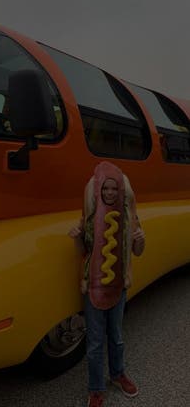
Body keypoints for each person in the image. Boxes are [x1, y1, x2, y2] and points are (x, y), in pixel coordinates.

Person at [68, 161, 146, 407]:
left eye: (114, 189)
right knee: (94, 342)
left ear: (121, 191)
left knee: (117, 337)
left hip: (119, 286)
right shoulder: (88, 218)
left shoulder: (130, 217)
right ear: (98, 191)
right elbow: (83, 251)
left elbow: (138, 251)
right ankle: (95, 388)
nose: (110, 192)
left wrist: (140, 239)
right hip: (93, 286)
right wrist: (77, 237)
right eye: (105, 189)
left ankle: (118, 374)